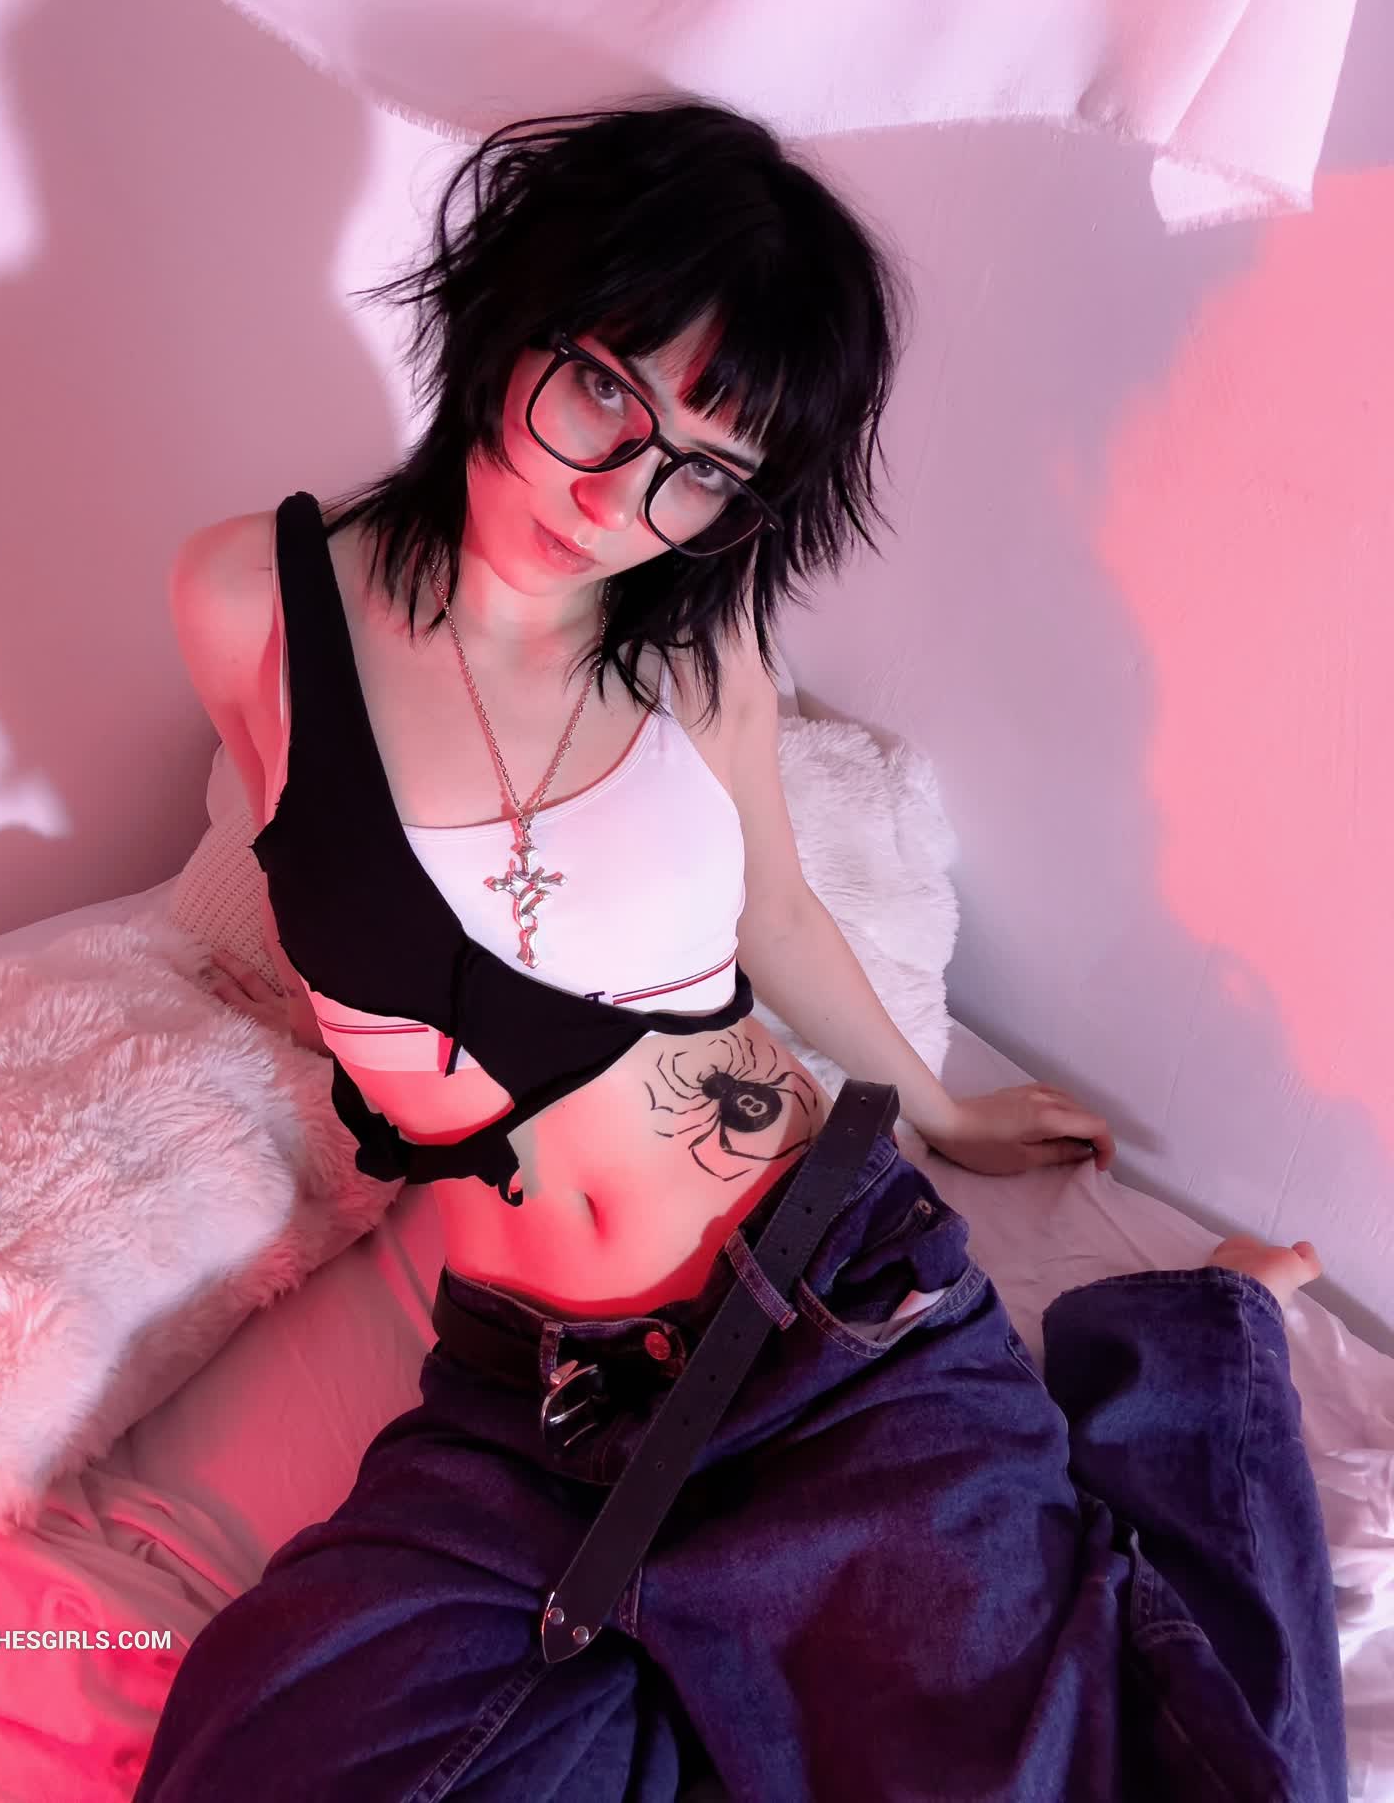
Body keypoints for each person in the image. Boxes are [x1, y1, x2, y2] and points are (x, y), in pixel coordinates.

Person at [138, 99, 1347, 1802]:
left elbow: (772, 909)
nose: (619, 496)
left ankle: (1198, 1348)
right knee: (262, 1766)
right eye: (604, 392)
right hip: (527, 1405)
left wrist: (944, 1107)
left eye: (703, 469)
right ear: (508, 308)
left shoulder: (696, 658)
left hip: (826, 1324)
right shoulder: (248, 606)